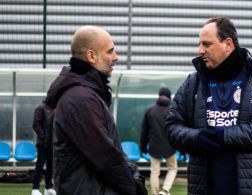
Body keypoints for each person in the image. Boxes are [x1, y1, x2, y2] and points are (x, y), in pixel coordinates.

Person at [165, 16, 252, 195]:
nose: (200, 50)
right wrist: (197, 137)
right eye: (199, 44)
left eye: (206, 44)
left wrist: (226, 135)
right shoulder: (193, 82)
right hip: (204, 187)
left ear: (228, 44)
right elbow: (172, 126)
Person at [45, 26, 147, 195]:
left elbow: (111, 151)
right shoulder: (80, 99)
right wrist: (136, 188)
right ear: (91, 56)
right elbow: (106, 158)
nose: (116, 57)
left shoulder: (86, 94)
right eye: (110, 51)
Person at [140, 87, 177, 195]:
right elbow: (176, 130)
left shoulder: (150, 110)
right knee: (172, 169)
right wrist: (181, 149)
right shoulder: (172, 111)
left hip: (154, 146)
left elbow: (144, 131)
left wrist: (143, 147)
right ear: (169, 96)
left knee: (154, 171)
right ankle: (165, 190)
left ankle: (156, 194)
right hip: (170, 146)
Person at [31, 100, 56, 195]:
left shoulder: (54, 109)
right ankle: (35, 189)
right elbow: (36, 125)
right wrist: (44, 137)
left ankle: (48, 187)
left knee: (51, 166)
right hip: (42, 144)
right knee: (40, 165)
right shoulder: (41, 108)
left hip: (52, 144)